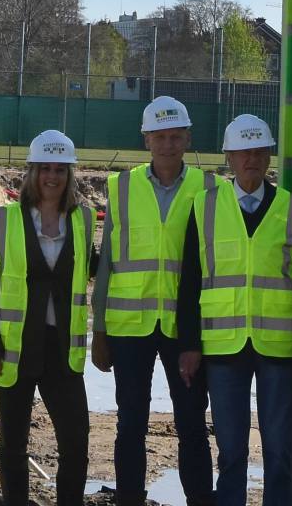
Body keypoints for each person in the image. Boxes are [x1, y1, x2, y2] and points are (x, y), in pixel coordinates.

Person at [175, 114, 292, 506]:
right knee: (231, 451)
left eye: (258, 151)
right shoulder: (203, 208)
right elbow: (189, 282)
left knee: (278, 450)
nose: (251, 159)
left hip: (278, 347)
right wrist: (189, 343)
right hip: (222, 347)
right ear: (229, 158)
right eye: (242, 153)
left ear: (269, 156)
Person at [91, 98, 214, 506]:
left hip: (186, 330)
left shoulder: (210, 189)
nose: (168, 144)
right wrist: (100, 331)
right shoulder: (121, 187)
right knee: (130, 425)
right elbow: (107, 263)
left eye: (175, 136)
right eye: (160, 137)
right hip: (131, 329)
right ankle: (129, 499)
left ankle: (199, 498)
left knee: (192, 423)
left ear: (187, 138)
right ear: (147, 140)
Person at [0, 130, 94, 506]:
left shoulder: (83, 222)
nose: (51, 177)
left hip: (61, 352)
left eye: (59, 169)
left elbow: (91, 268)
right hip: (14, 348)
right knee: (13, 444)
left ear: (69, 175)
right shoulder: (5, 222)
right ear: (32, 173)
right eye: (44, 169)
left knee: (76, 443)